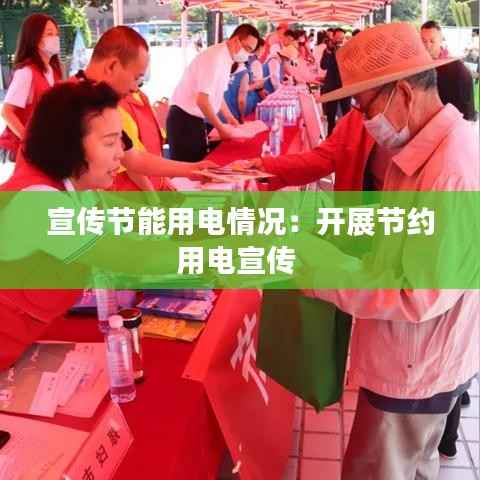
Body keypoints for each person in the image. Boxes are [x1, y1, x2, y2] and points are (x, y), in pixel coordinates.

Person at [243, 23, 479, 479]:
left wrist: (315, 273)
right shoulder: (423, 149)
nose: (364, 120)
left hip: (413, 366)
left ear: (403, 93)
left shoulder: (448, 171)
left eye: (365, 106)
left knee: (379, 468)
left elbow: (415, 293)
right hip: (412, 357)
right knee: (411, 464)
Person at [0, 81, 215, 369]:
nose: (120, 154)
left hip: (28, 341)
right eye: (110, 142)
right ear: (69, 145)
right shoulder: (39, 202)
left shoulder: (80, 190)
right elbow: (134, 257)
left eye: (120, 142)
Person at [70, 26, 211, 188]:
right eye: (135, 78)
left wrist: (191, 169)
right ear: (112, 66)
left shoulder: (102, 100)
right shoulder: (67, 101)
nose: (134, 88)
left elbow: (133, 158)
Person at [166, 23, 260, 162]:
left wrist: (229, 118)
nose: (247, 55)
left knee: (200, 162)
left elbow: (217, 94)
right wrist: (221, 128)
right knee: (189, 168)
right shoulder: (215, 57)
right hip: (184, 118)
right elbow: (202, 100)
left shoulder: (227, 58)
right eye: (247, 48)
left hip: (194, 119)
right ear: (236, 40)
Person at [0, 14, 63, 163]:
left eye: (57, 34)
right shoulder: (26, 72)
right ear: (35, 39)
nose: (55, 38)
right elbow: (7, 112)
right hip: (19, 152)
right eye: (49, 34)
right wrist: (29, 141)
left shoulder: (53, 72)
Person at [421, 20, 476, 122]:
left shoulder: (457, 68)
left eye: (432, 41)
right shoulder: (418, 67)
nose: (427, 46)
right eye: (423, 41)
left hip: (449, 123)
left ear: (441, 40)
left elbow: (467, 110)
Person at [321, 27, 351, 136]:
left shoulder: (348, 49)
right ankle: (330, 138)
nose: (339, 40)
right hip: (331, 86)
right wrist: (329, 50)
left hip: (345, 86)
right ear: (332, 37)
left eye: (342, 38)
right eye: (338, 37)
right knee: (331, 117)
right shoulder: (328, 50)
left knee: (347, 114)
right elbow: (323, 66)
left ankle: (347, 136)